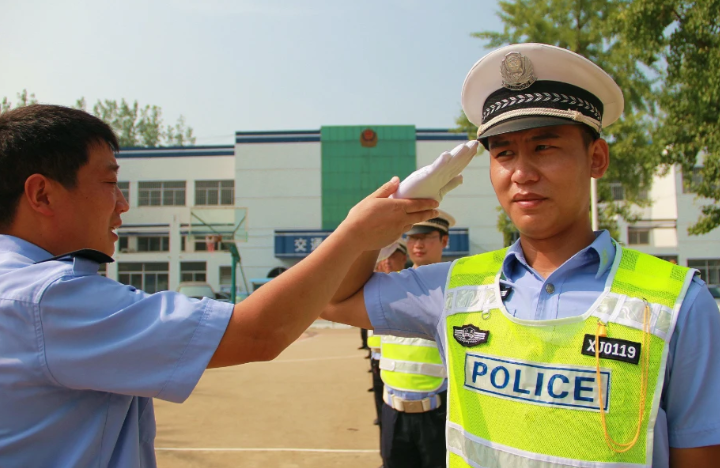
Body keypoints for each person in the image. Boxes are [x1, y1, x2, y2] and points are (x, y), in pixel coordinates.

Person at [323, 43, 720, 468]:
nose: (521, 173)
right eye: (505, 153)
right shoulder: (456, 286)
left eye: (544, 147)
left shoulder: (678, 304)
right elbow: (334, 298)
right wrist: (389, 217)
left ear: (596, 158)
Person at [0, 105, 440, 466]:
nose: (124, 204)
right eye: (111, 182)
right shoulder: (46, 298)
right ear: (41, 195)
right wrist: (353, 235)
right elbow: (258, 332)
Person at [378, 213, 455, 468]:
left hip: (437, 411)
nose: (417, 245)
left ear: (444, 241)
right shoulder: (391, 285)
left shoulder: (457, 287)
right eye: (412, 238)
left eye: (426, 238)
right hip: (392, 411)